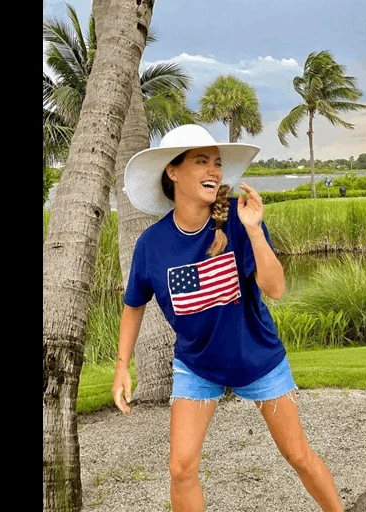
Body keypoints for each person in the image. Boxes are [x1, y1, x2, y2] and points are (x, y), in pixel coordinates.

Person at [112, 124, 345, 512]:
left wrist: (254, 231)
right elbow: (134, 304)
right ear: (173, 171)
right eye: (201, 161)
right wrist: (122, 366)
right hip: (197, 365)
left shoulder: (237, 221)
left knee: (298, 455)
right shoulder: (152, 244)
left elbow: (276, 289)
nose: (214, 170)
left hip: (258, 361)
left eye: (217, 163)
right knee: (181, 469)